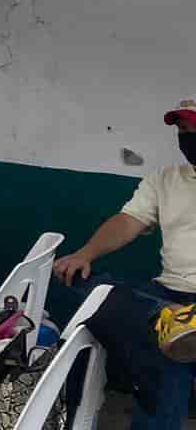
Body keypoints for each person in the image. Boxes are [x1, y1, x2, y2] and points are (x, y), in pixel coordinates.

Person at [52, 95, 196, 430]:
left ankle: (171, 324)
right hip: (168, 295)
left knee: (161, 360)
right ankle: (169, 320)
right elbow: (129, 221)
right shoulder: (165, 179)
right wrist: (85, 253)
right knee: (93, 289)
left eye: (193, 128)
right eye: (182, 129)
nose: (187, 137)